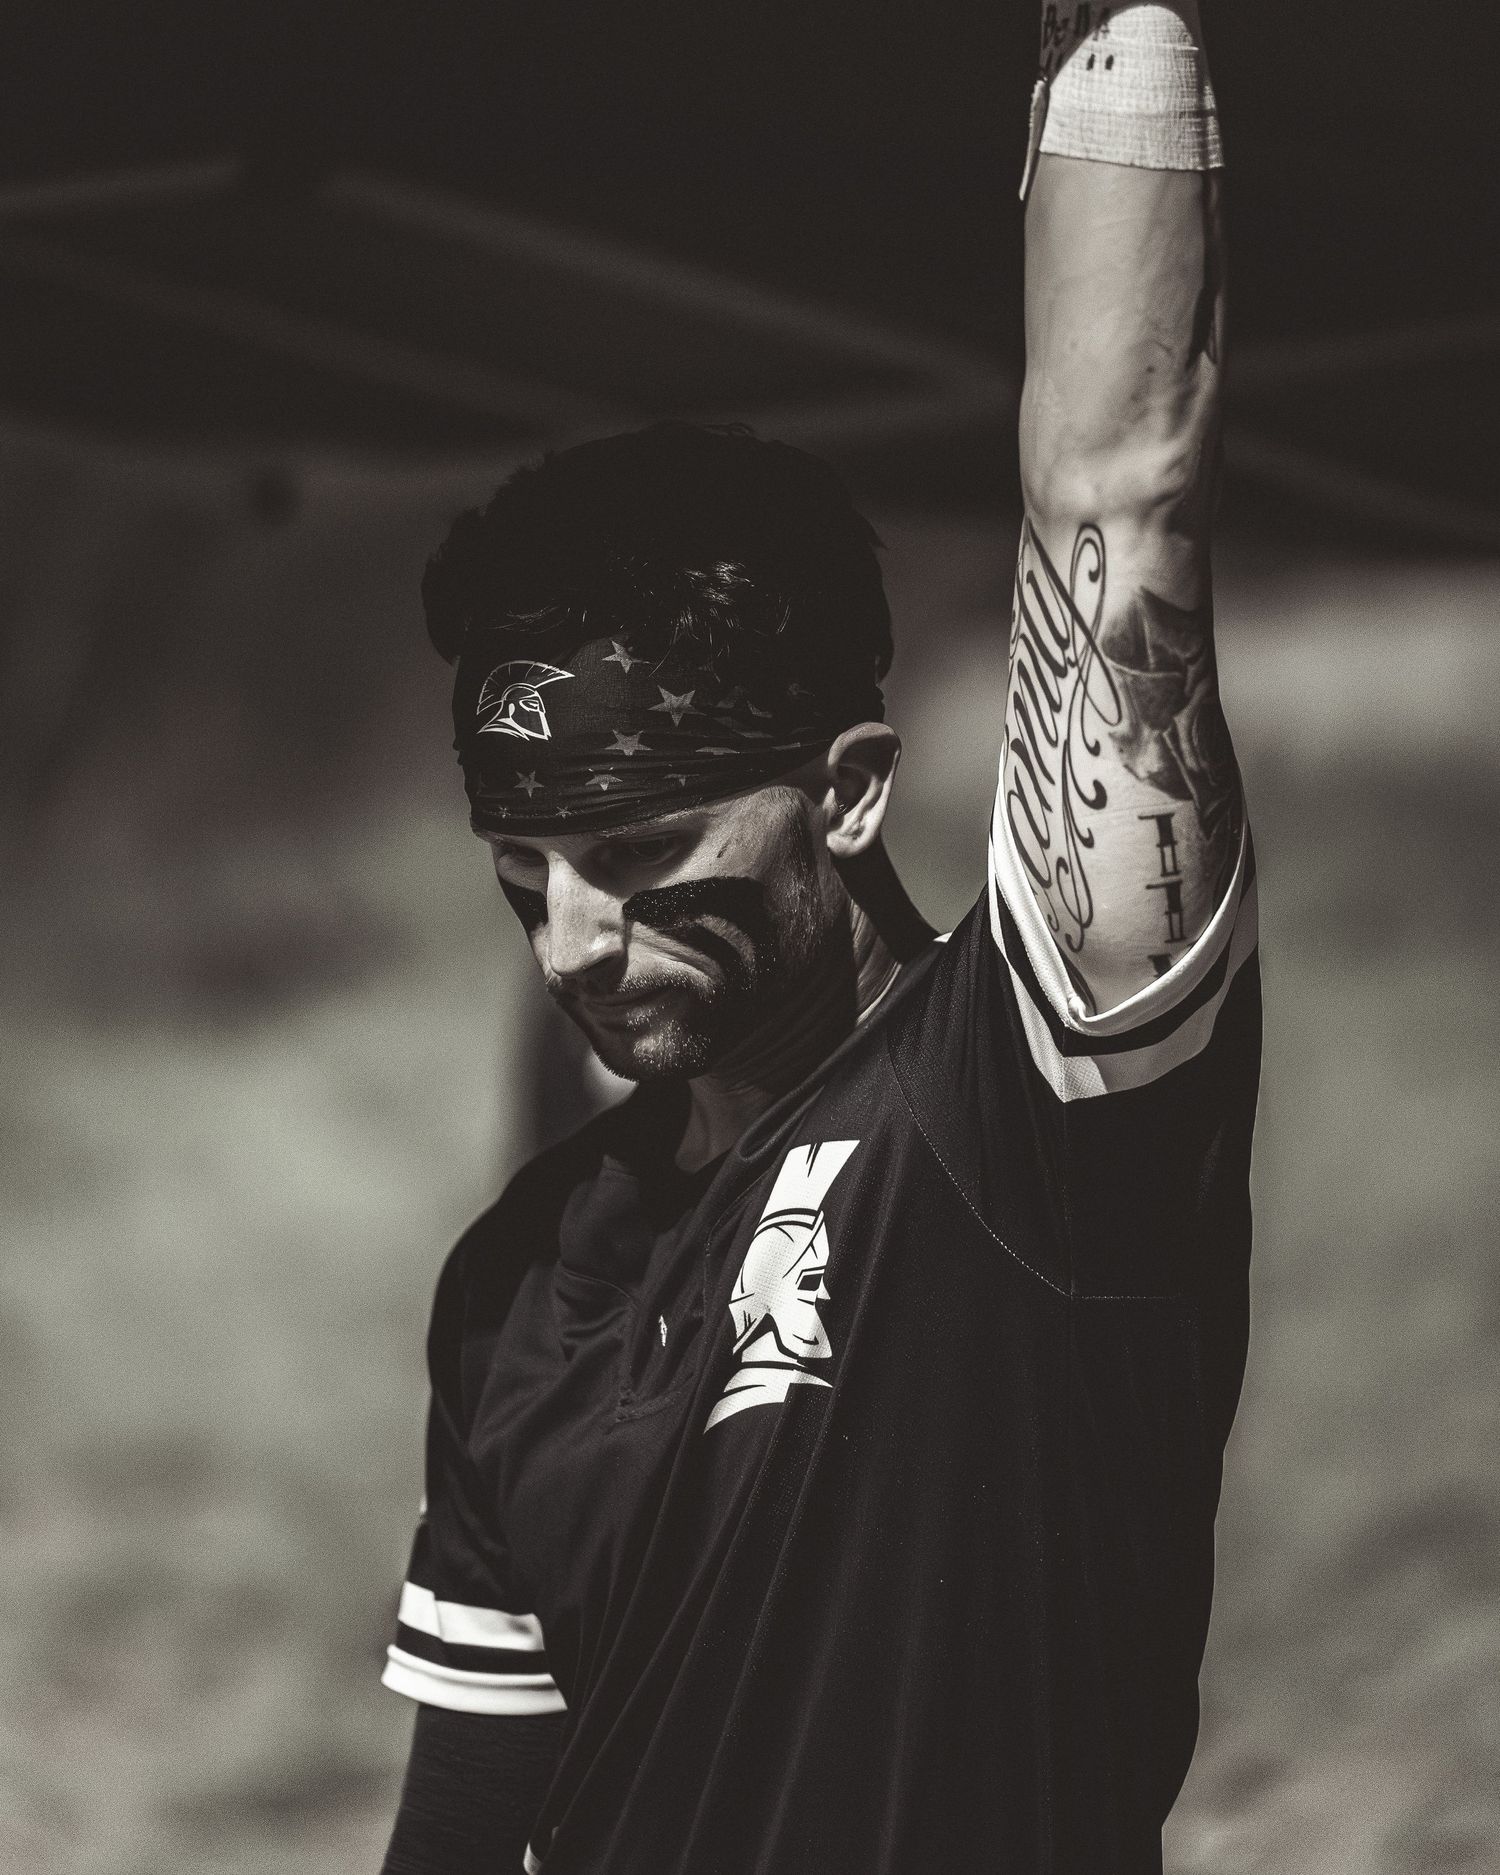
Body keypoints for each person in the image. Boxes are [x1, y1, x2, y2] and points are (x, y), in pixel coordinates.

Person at [379, 3, 1256, 1869]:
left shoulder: (1025, 1108)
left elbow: (1121, 524)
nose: (570, 943)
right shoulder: (520, 1284)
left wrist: (1120, 38)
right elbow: (461, 1834)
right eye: (523, 877)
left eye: (636, 849)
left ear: (850, 792)